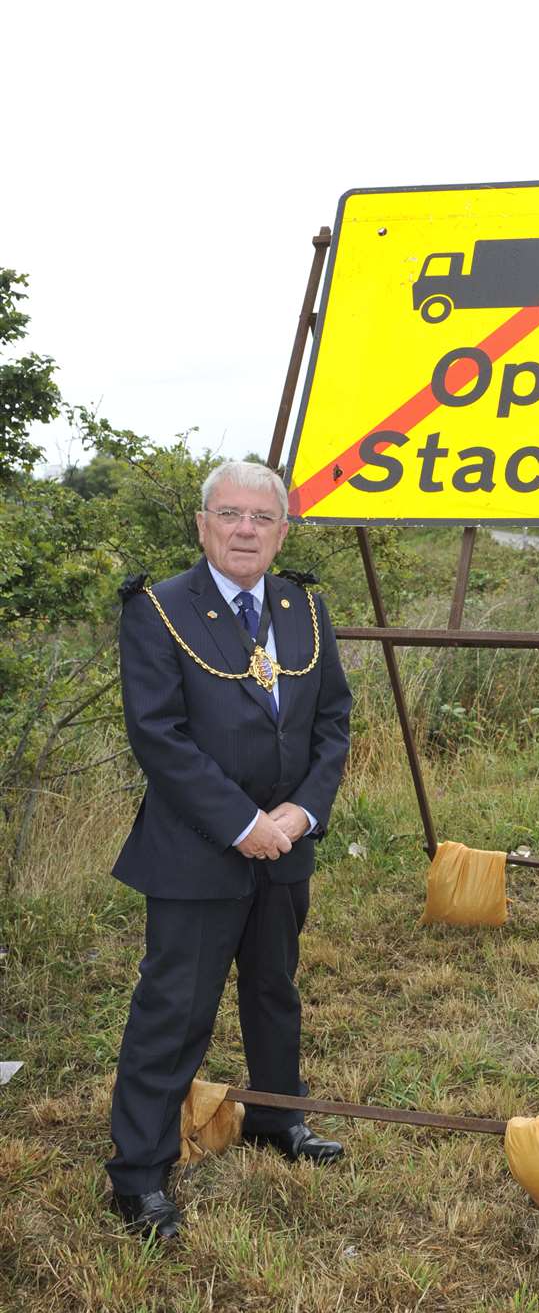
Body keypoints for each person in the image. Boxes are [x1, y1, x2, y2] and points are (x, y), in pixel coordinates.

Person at [107, 460, 353, 1239]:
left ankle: (280, 1118)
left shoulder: (303, 606)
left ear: (284, 530)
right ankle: (139, 1174)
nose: (246, 529)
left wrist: (302, 813)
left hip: (288, 845)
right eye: (231, 514)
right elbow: (159, 736)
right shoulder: (159, 608)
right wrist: (245, 822)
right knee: (174, 1010)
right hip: (197, 851)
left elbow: (333, 722)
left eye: (262, 517)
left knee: (275, 990)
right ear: (203, 524)